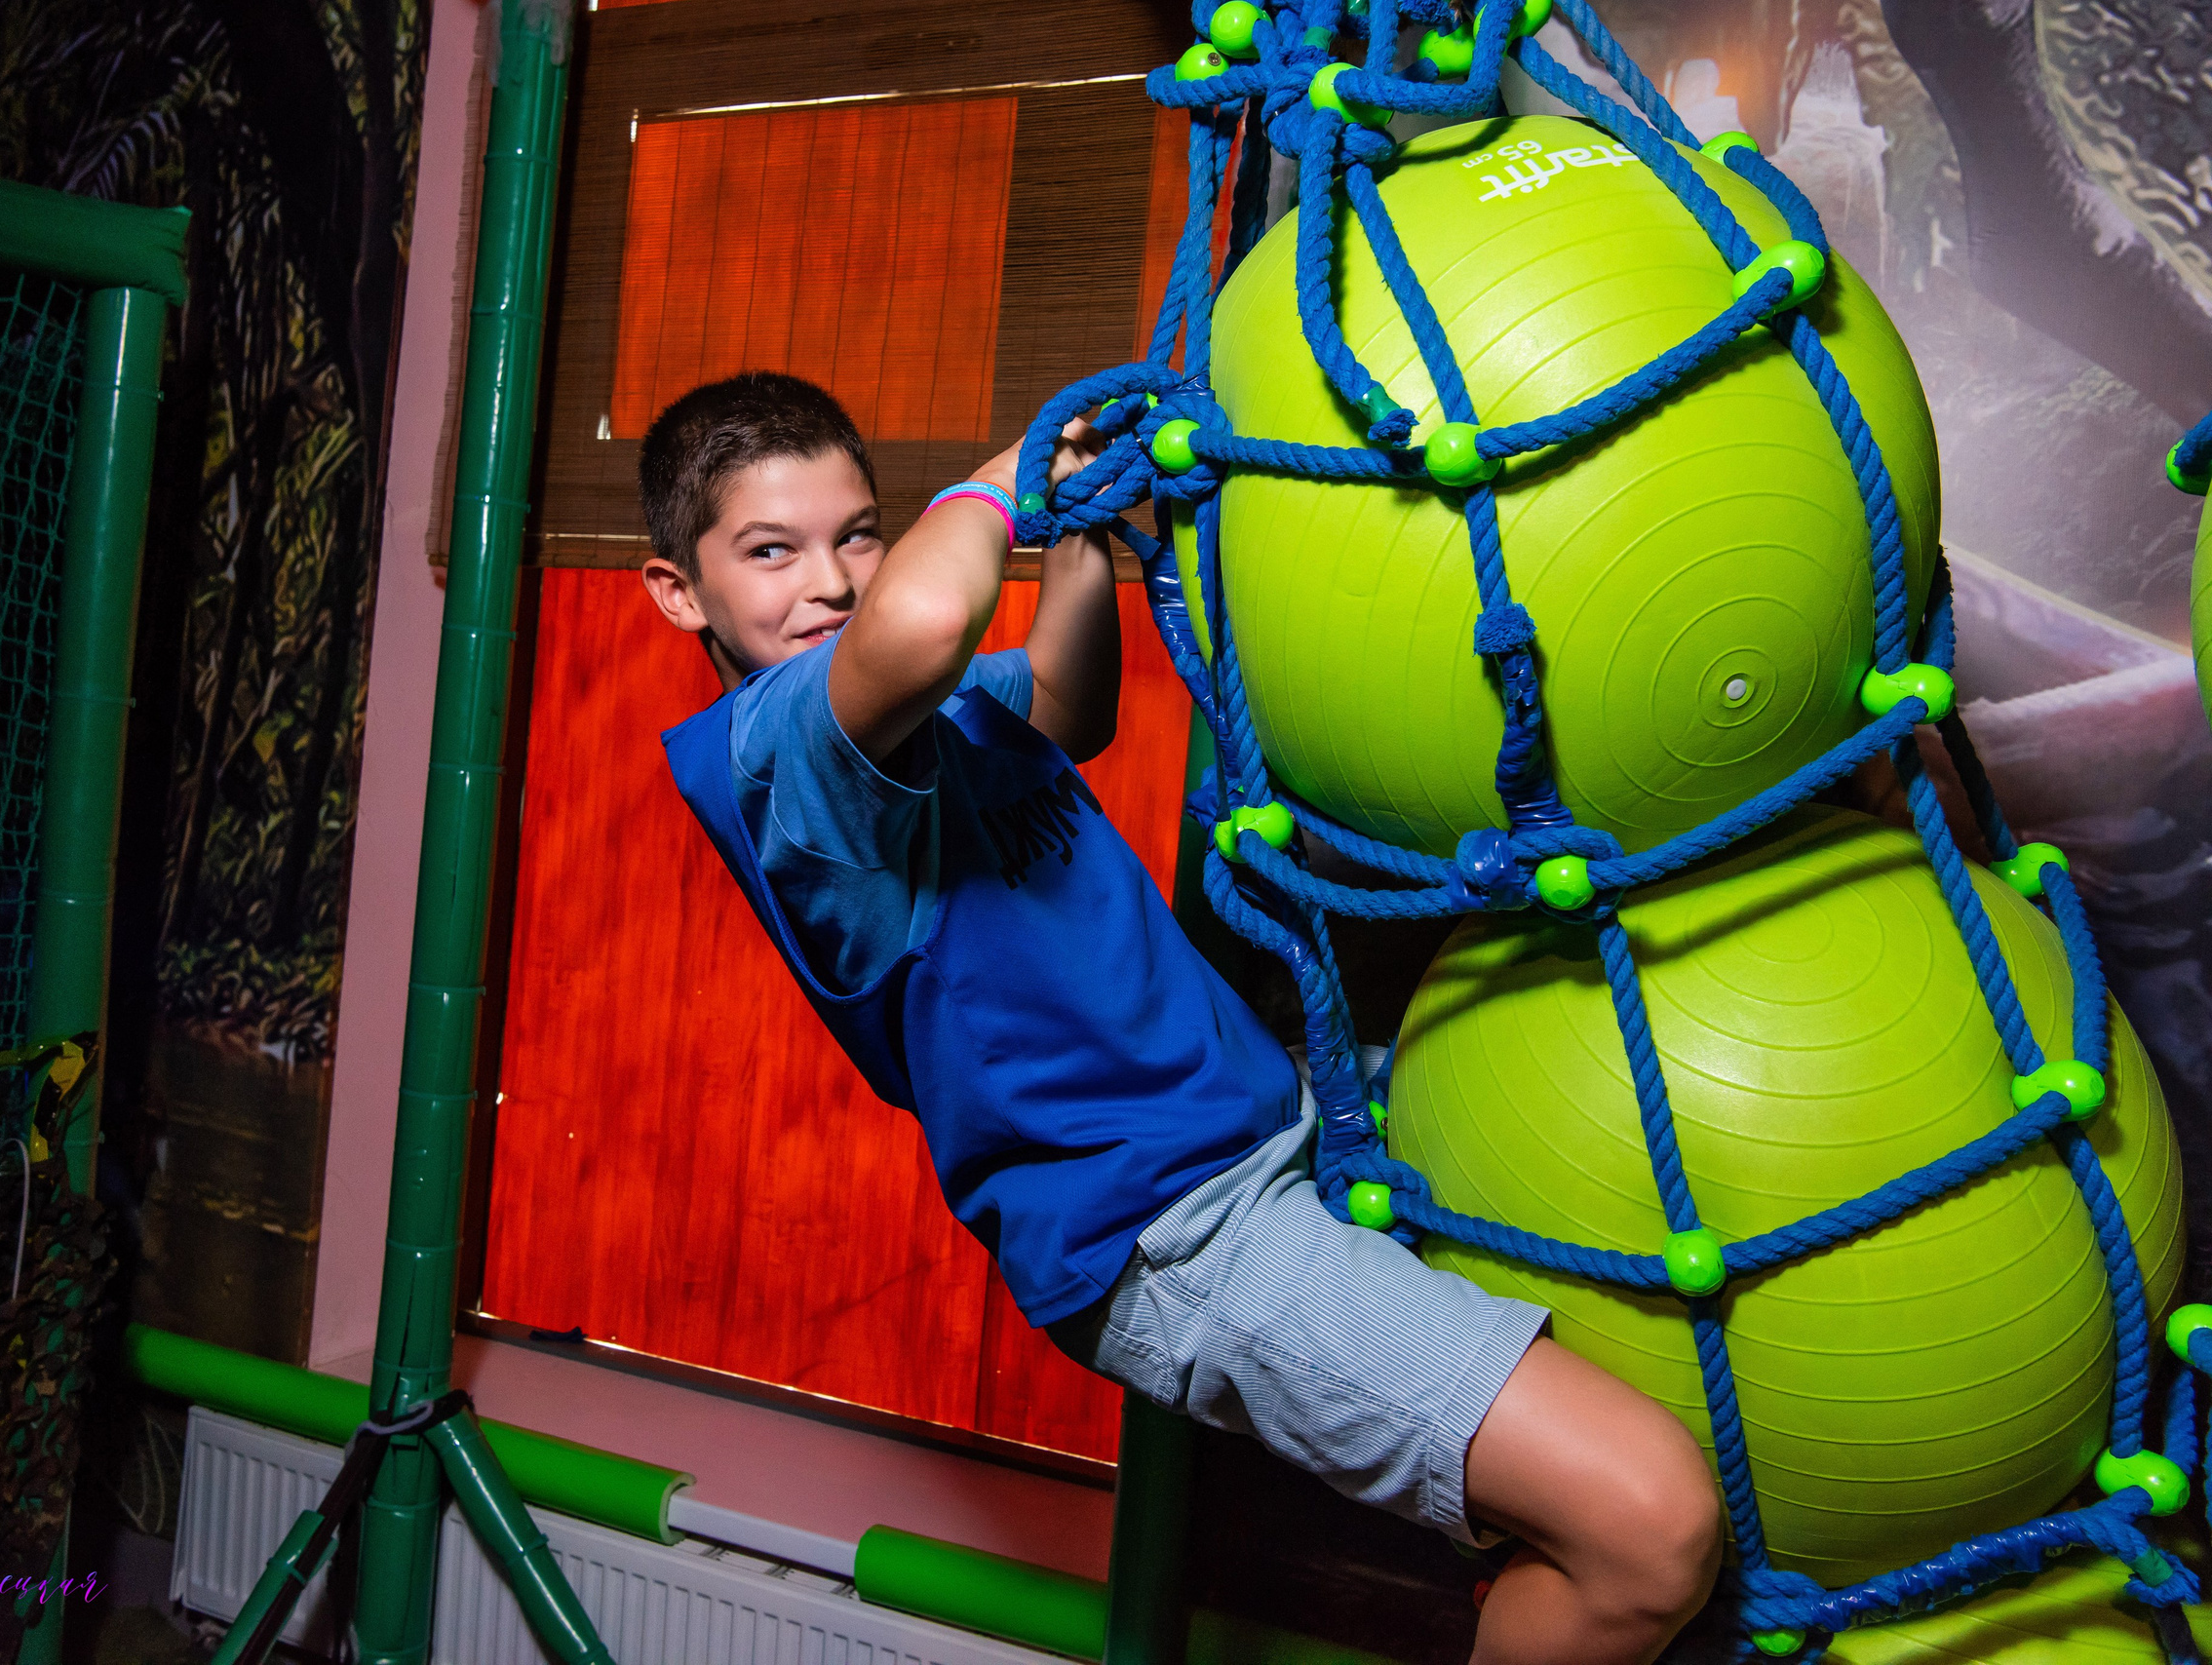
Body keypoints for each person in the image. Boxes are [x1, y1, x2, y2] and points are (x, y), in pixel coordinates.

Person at [640, 370, 1723, 1664]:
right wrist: (1011, 472)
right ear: (678, 591)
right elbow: (924, 623)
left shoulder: (935, 717)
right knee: (1651, 1527)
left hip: (1280, 1118)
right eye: (772, 552)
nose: (829, 579)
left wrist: (1091, 521)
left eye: (855, 533)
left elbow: (1064, 707)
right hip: (1178, 1231)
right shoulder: (778, 753)